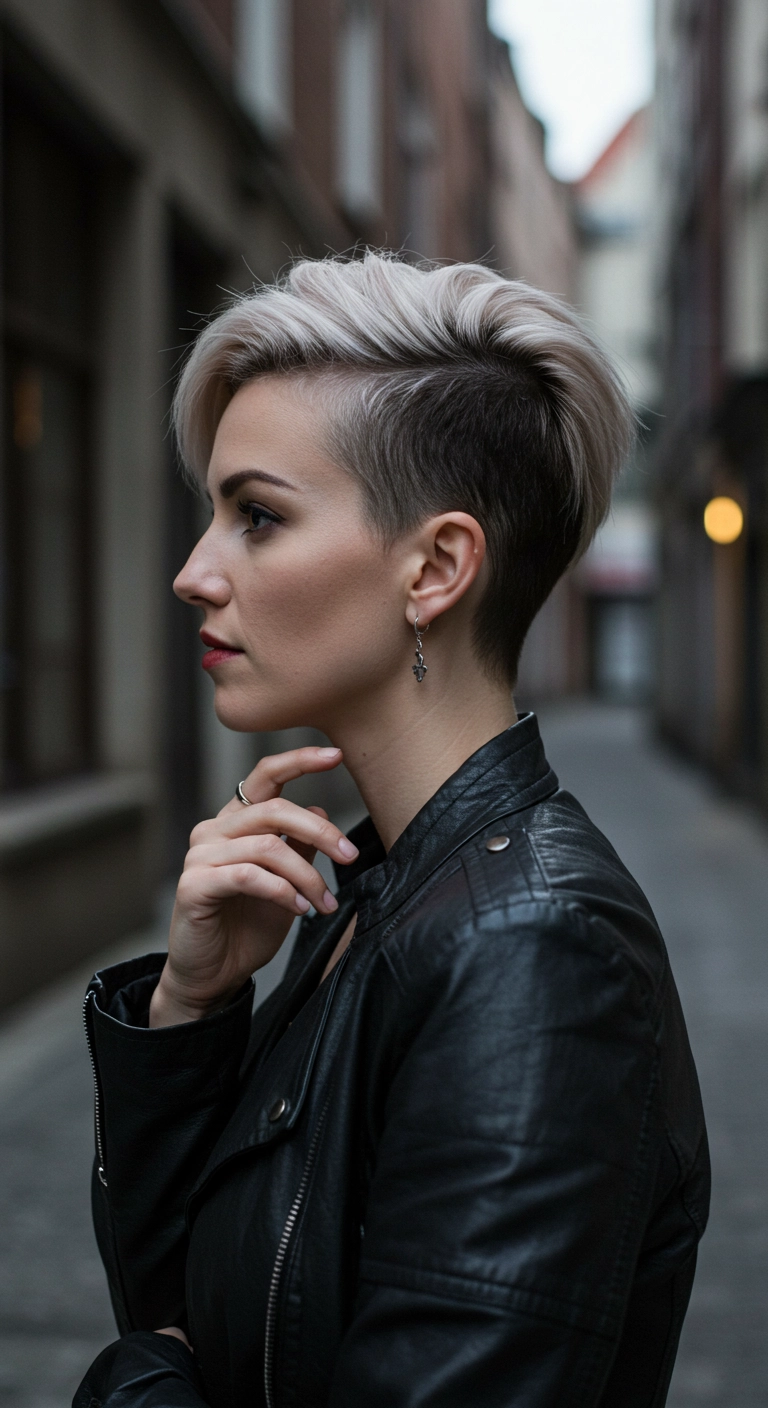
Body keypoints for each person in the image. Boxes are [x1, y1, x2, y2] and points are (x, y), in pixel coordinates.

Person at [75, 253, 709, 1408]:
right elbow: (194, 1305)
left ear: (438, 566)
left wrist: (125, 1388)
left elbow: (167, 1350)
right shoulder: (362, 891)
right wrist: (191, 1009)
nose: (191, 573)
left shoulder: (534, 951)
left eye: (256, 516)